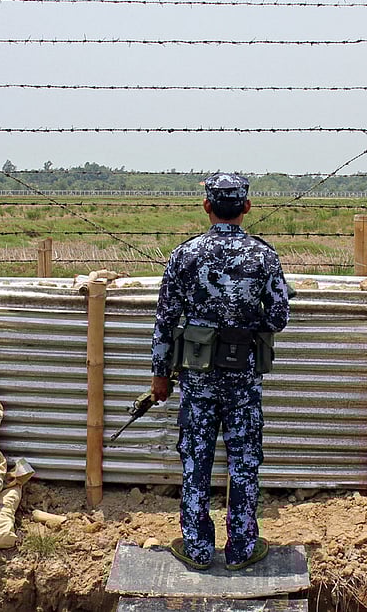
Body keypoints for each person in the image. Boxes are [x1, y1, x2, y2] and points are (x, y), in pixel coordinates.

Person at [150, 172, 291, 571]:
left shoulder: (185, 255)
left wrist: (160, 374)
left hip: (197, 378)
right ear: (246, 207)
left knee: (196, 458)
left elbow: (164, 321)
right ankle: (242, 549)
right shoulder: (264, 256)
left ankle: (196, 548)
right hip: (244, 378)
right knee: (244, 460)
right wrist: (243, 326)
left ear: (207, 206)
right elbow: (279, 317)